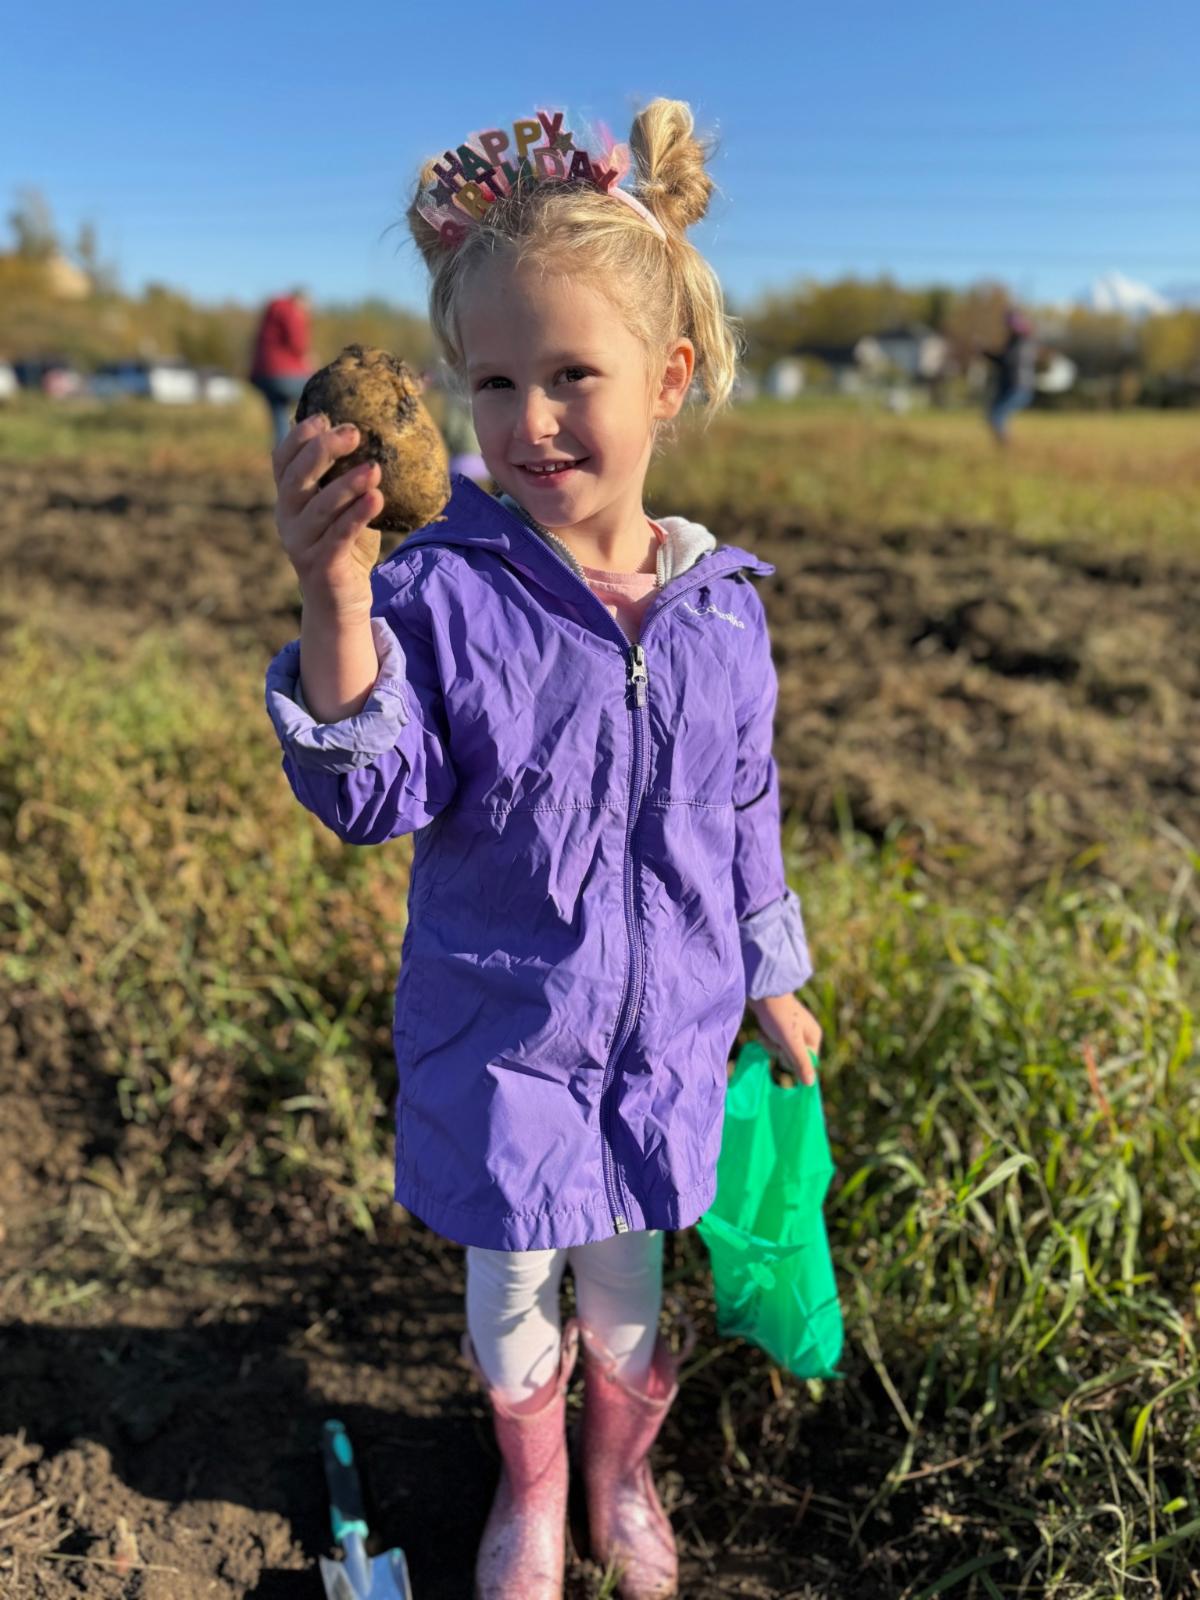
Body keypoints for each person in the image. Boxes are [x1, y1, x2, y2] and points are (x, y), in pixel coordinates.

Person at [264, 99, 821, 1600]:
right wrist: (336, 601)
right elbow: (372, 791)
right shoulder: (441, 594)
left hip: (664, 1044)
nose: (531, 422)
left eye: (573, 375)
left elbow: (744, 807)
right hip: (507, 1039)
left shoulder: (722, 609)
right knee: (515, 1296)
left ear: (671, 379)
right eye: (494, 382)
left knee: (629, 1295)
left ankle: (619, 1478)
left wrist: (769, 972)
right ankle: (529, 1487)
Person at [250, 287, 314, 448]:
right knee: (320, 394)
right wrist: (308, 359)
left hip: (263, 375)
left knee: (280, 417)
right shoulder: (291, 310)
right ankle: (320, 448)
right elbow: (298, 343)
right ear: (301, 300)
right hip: (284, 374)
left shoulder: (272, 312)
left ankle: (283, 459)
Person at [984, 308, 1038, 445]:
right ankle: (1004, 445)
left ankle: (1006, 446)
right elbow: (1004, 360)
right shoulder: (1014, 341)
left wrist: (987, 354)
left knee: (996, 414)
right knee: (994, 415)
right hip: (1010, 384)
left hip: (1018, 386)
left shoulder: (1023, 342)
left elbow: (1008, 361)